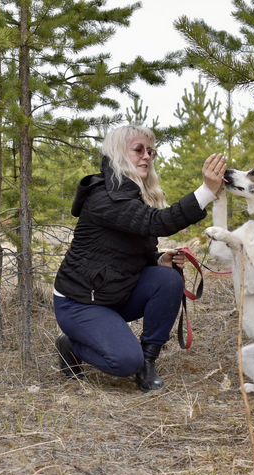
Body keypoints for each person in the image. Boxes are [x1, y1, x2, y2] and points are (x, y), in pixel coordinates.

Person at [53, 125, 226, 391]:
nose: (146, 156)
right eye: (138, 150)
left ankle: (147, 362)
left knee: (167, 279)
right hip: (80, 303)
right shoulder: (105, 197)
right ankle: (72, 345)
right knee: (123, 362)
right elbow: (160, 223)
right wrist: (206, 191)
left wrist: (158, 260)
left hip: (113, 292)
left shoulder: (134, 194)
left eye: (150, 151)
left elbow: (127, 250)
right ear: (119, 153)